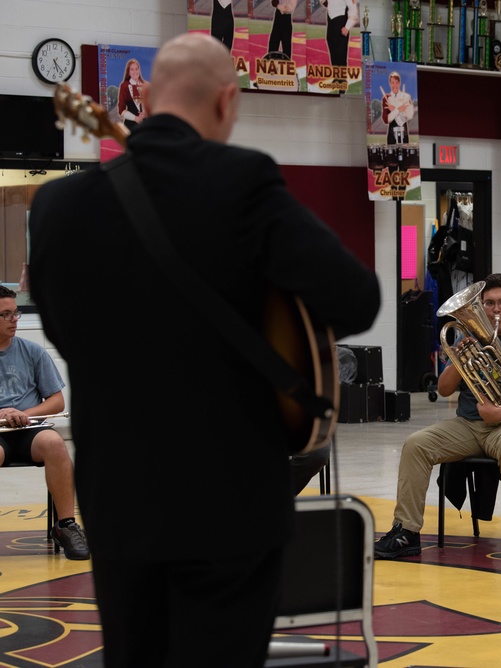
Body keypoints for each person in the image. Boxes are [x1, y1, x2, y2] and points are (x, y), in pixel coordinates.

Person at [28, 32, 380, 667]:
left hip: (119, 501)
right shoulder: (243, 181)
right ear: (226, 99)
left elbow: (62, 330)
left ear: (146, 96)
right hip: (231, 504)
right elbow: (357, 299)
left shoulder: (57, 206)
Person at [374, 273, 501, 564]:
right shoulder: (465, 339)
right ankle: (406, 532)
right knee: (416, 444)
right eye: (489, 303)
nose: (496, 309)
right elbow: (445, 390)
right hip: (469, 426)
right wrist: (458, 360)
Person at [0, 287, 89, 561]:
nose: (14, 319)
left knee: (55, 444)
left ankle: (65, 525)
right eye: (5, 314)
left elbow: (57, 401)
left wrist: (26, 413)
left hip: (29, 428)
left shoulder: (33, 351)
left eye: (16, 312)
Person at [382, 71, 413, 145]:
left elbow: (409, 115)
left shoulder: (406, 97)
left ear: (399, 83)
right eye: (392, 83)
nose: (394, 85)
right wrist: (398, 109)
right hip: (392, 133)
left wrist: (394, 110)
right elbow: (386, 119)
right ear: (390, 84)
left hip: (404, 132)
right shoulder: (386, 98)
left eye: (396, 82)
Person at [325, 0, 359, 66]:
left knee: (340, 55)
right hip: (330, 20)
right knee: (333, 50)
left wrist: (347, 27)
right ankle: (336, 74)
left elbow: (353, 9)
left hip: (340, 21)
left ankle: (341, 75)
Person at [117, 59, 147, 130]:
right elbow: (121, 110)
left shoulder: (146, 86)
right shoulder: (124, 86)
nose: (135, 72)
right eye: (132, 69)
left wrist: (146, 113)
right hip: (130, 126)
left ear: (139, 70)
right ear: (128, 72)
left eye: (136, 69)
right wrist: (135, 118)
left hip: (145, 125)